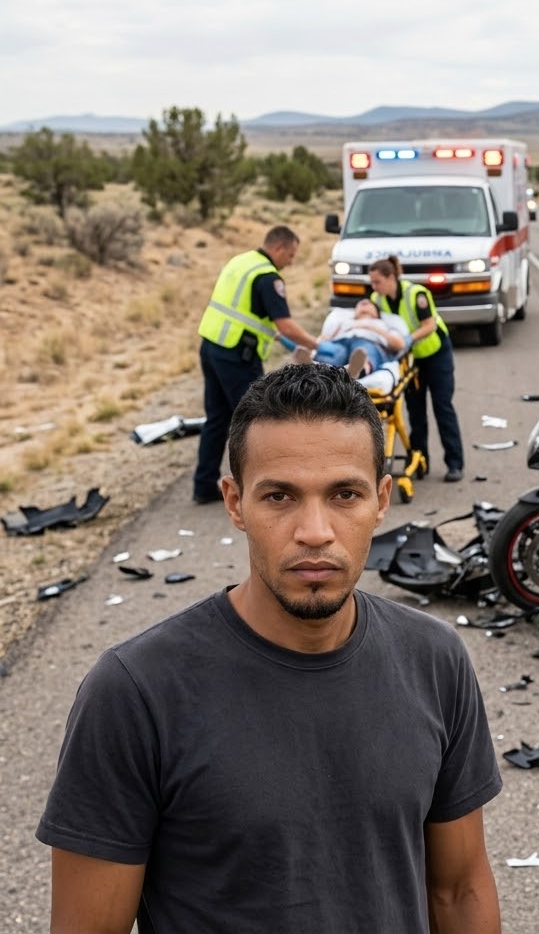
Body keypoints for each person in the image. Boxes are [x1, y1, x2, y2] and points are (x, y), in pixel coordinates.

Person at [36, 363, 503, 934]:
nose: (314, 531)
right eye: (279, 496)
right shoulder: (136, 692)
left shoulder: (434, 659)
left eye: (344, 495)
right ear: (234, 503)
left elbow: (459, 891)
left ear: (381, 500)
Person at [192, 225, 321, 504]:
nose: (292, 261)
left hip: (212, 345)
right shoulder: (267, 276)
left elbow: (246, 311)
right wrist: (318, 345)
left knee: (217, 418)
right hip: (237, 354)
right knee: (255, 420)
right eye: (291, 254)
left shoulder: (241, 262)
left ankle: (203, 485)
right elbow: (285, 324)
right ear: (278, 248)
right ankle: (259, 488)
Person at [368, 255, 465, 482]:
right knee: (415, 411)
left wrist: (409, 339)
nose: (373, 287)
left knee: (443, 408)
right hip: (410, 360)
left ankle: (454, 464)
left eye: (377, 282)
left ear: (390, 277)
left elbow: (429, 325)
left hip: (436, 354)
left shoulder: (417, 294)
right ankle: (420, 460)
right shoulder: (377, 298)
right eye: (372, 283)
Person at [315, 297, 410, 377]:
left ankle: (361, 368)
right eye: (361, 304)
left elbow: (400, 345)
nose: (364, 305)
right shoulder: (345, 322)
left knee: (363, 350)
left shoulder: (383, 325)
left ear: (377, 313)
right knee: (335, 351)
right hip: (341, 341)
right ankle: (314, 365)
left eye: (368, 304)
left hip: (368, 342)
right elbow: (326, 337)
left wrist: (371, 327)